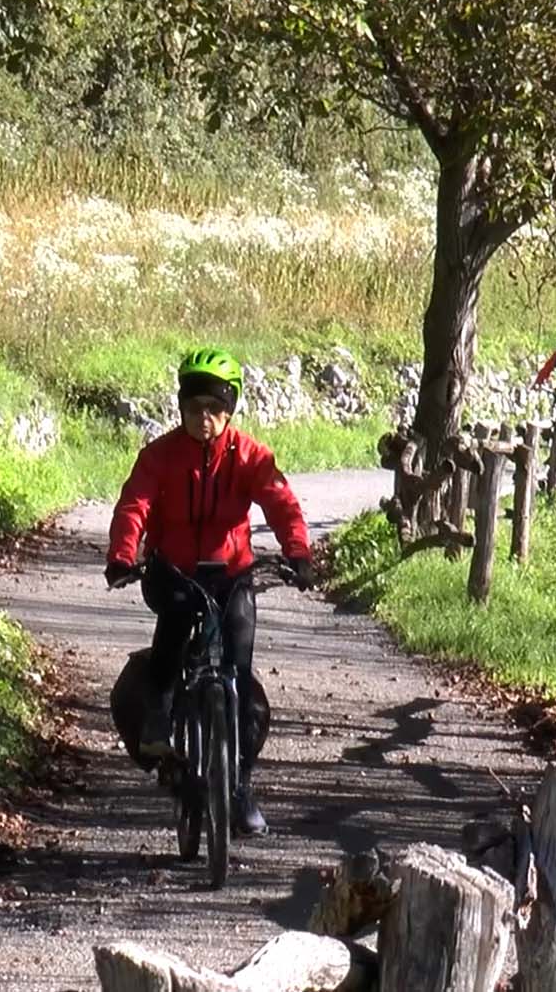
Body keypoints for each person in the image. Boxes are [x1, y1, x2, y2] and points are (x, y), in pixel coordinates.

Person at [103, 347, 314, 837]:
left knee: (239, 668)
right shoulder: (159, 456)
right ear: (181, 407)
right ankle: (158, 720)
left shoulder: (251, 456)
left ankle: (238, 785)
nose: (204, 418)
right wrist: (122, 554)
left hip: (231, 574)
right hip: (173, 572)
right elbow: (134, 505)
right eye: (195, 407)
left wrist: (298, 552)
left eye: (215, 408)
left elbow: (282, 504)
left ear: (230, 410)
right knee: (175, 621)